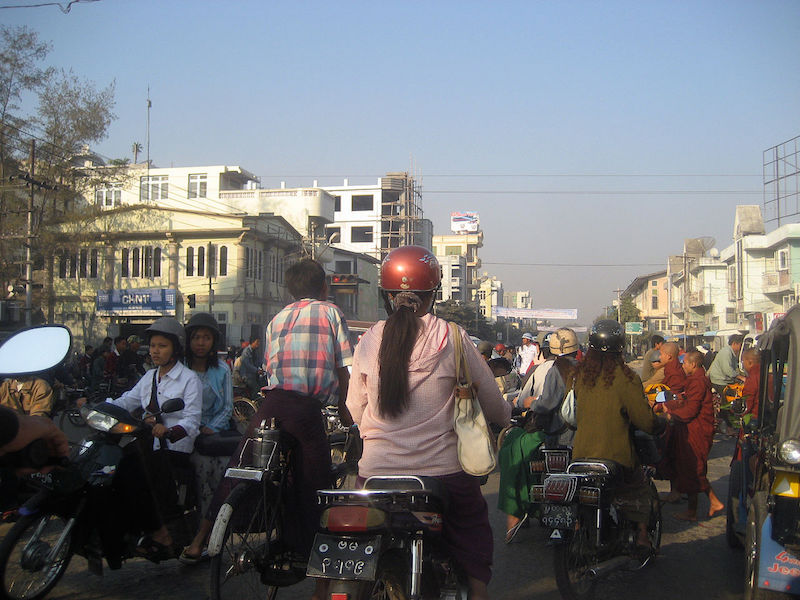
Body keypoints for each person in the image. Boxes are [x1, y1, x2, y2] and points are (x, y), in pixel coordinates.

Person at [348, 245, 510, 600]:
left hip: (375, 473)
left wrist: (377, 438)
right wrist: (506, 419)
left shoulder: (370, 338)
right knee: (472, 534)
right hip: (443, 477)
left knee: (358, 546)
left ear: (388, 296)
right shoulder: (451, 336)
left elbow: (354, 407)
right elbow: (493, 403)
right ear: (433, 295)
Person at [205, 258, 353, 563]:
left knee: (241, 466)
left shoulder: (277, 319)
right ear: (324, 287)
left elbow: (270, 368)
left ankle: (200, 538)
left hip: (271, 404)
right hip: (305, 409)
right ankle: (307, 551)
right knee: (314, 479)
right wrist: (346, 410)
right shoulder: (331, 312)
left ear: (289, 290)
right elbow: (343, 369)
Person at [78, 317, 202, 561]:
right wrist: (97, 407)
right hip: (148, 442)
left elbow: (192, 420)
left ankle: (163, 533)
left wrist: (169, 431)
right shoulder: (149, 377)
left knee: (137, 475)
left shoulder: (189, 379)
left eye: (162, 346)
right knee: (113, 468)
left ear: (175, 348)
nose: (156, 351)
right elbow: (127, 400)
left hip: (174, 447)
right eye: (153, 345)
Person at [570, 320, 665, 552]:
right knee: (639, 484)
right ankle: (642, 535)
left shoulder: (579, 376)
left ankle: (578, 528)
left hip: (580, 455)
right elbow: (644, 420)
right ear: (620, 348)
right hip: (616, 458)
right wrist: (660, 423)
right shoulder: (627, 379)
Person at [180, 313, 235, 564]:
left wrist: (211, 428)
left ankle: (203, 537)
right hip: (180, 433)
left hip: (212, 437)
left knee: (210, 478)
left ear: (214, 341)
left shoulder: (222, 370)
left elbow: (226, 406)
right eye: (196, 337)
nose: (200, 342)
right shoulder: (179, 369)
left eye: (206, 337)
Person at [657, 351, 723, 520]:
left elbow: (692, 409)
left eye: (685, 363)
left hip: (697, 429)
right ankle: (713, 501)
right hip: (694, 427)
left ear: (693, 364)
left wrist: (671, 412)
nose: (683, 365)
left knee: (692, 468)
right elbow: (686, 399)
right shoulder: (696, 380)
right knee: (690, 467)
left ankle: (693, 512)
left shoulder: (698, 382)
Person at [529, 328, 580, 449]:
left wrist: (532, 403)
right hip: (580, 435)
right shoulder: (585, 369)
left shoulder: (555, 371)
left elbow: (546, 404)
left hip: (559, 436)